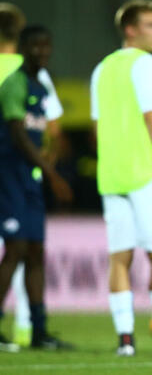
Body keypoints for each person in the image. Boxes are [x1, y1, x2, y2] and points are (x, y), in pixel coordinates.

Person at [90, 0, 152, 357]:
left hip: (111, 175)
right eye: (151, 24)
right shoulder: (147, 64)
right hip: (146, 173)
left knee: (119, 258)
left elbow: (97, 126)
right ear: (131, 30)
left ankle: (125, 340)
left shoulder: (102, 68)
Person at [0, 22, 73, 352]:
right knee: (14, 250)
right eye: (36, 46)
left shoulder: (41, 86)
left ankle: (40, 331)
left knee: (36, 253)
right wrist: (52, 174)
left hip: (30, 176)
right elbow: (16, 133)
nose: (43, 52)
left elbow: (46, 134)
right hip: (10, 174)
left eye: (47, 46)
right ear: (23, 48)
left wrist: (49, 159)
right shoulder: (14, 84)